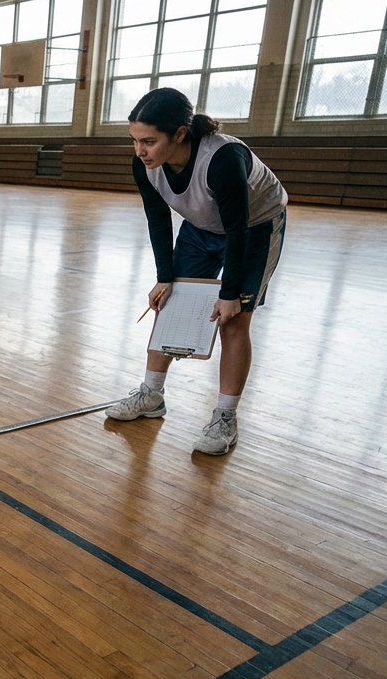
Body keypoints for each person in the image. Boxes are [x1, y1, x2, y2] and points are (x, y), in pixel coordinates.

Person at [107, 87, 288, 455]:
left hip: (254, 227)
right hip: (202, 226)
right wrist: (165, 276)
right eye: (135, 140)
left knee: (234, 319)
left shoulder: (222, 158)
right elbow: (157, 219)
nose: (139, 150)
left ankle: (225, 417)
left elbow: (237, 229)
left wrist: (228, 293)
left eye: (148, 141)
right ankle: (151, 395)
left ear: (179, 134)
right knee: (168, 304)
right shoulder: (145, 166)